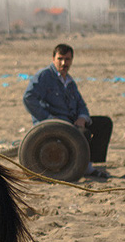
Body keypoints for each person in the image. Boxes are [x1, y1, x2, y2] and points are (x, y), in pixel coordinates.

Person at [23, 43, 113, 178]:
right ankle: (86, 168)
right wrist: (48, 118)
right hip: (55, 124)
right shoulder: (45, 76)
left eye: (67, 59)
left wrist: (82, 117)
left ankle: (88, 163)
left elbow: (81, 103)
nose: (64, 63)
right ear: (53, 59)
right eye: (60, 59)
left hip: (73, 121)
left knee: (104, 123)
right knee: (84, 133)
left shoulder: (69, 81)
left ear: (72, 60)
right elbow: (28, 98)